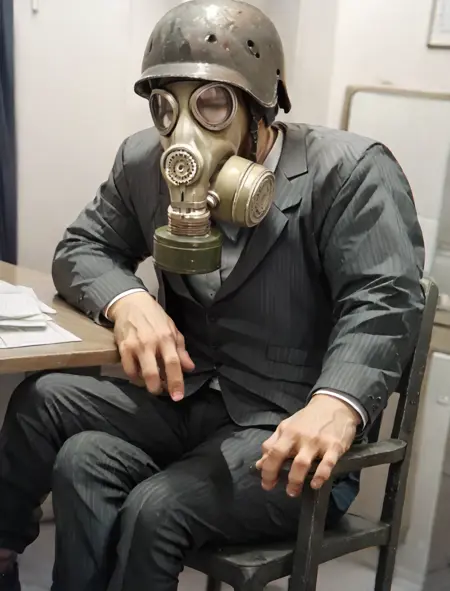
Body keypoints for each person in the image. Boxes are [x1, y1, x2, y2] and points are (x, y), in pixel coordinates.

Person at [0, 1, 424, 590]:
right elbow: (83, 247)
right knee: (47, 406)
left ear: (261, 106)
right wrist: (129, 301)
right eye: (166, 107)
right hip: (187, 397)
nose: (185, 135)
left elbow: (384, 299)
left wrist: (337, 403)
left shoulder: (348, 172)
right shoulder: (145, 163)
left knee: (156, 509)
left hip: (285, 426)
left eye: (212, 105)